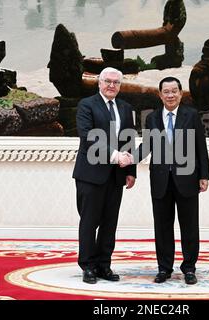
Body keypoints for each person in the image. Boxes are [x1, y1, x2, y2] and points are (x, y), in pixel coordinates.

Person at [125, 76, 209, 285]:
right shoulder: (152, 118)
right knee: (162, 227)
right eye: (166, 91)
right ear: (160, 94)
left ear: (180, 93)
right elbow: (146, 146)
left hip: (188, 179)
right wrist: (129, 160)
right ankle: (164, 268)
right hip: (161, 180)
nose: (170, 95)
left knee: (189, 226)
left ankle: (189, 268)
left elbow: (201, 146)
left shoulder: (191, 115)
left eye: (174, 91)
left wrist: (204, 175)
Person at [73, 67, 136, 284]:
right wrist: (115, 155)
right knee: (90, 222)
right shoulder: (86, 105)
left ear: (120, 85)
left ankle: (104, 265)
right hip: (90, 174)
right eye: (107, 81)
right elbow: (88, 136)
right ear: (99, 83)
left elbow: (129, 140)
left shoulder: (126, 108)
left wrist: (130, 171)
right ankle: (88, 266)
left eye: (116, 82)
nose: (111, 85)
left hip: (116, 176)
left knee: (110, 223)